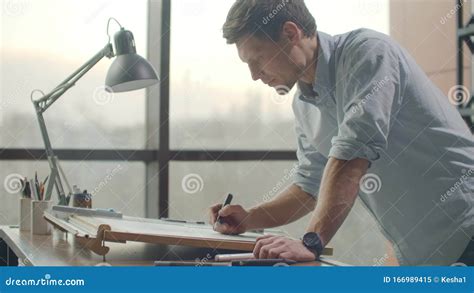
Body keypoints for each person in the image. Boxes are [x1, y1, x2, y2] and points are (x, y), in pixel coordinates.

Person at [209, 0, 474, 266]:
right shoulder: (303, 104)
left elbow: (352, 154)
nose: (254, 75)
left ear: (291, 33)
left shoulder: (368, 53)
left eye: (258, 59)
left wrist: (310, 243)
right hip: (426, 255)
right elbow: (308, 187)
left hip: (467, 229)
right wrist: (250, 218)